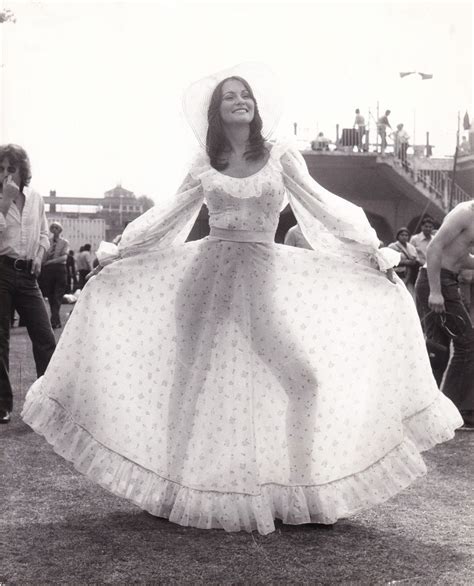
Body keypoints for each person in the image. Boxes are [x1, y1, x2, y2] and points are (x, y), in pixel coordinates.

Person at [22, 64, 461, 534]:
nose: (240, 100)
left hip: (260, 286)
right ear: (217, 111)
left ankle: (302, 490)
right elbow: (171, 214)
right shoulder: (204, 161)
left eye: (245, 94)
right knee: (188, 384)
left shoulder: (280, 155)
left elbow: (319, 204)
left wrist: (369, 250)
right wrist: (121, 252)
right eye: (230, 96)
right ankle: (167, 489)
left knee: (303, 381)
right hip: (204, 284)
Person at [0, 144, 56, 424]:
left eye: (11, 168)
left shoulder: (35, 198)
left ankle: (47, 402)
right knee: (0, 339)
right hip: (1, 270)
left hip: (28, 274)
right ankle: (2, 405)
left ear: (23, 171)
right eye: (1, 169)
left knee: (44, 335)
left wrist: (39, 255)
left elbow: (45, 235)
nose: (6, 174)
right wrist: (4, 202)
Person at [415, 201, 474, 429]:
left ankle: (429, 411)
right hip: (438, 281)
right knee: (467, 344)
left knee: (437, 348)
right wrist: (436, 291)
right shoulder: (464, 213)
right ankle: (455, 410)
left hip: (446, 280)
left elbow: (459, 256)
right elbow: (434, 248)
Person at [39, 221, 69, 329]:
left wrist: (50, 262)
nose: (54, 230)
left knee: (57, 296)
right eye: (53, 228)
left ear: (60, 230)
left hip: (59, 270)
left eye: (57, 228)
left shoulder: (65, 242)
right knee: (51, 296)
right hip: (48, 271)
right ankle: (55, 320)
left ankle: (54, 320)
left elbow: (64, 257)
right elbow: (45, 255)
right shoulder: (48, 242)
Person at [388, 227, 419, 296]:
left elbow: (415, 259)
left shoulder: (411, 247)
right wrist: (405, 262)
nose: (404, 237)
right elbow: (389, 261)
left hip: (410, 274)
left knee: (409, 293)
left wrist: (412, 262)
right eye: (402, 235)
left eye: (406, 235)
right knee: (398, 292)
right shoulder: (392, 246)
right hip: (398, 272)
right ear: (398, 236)